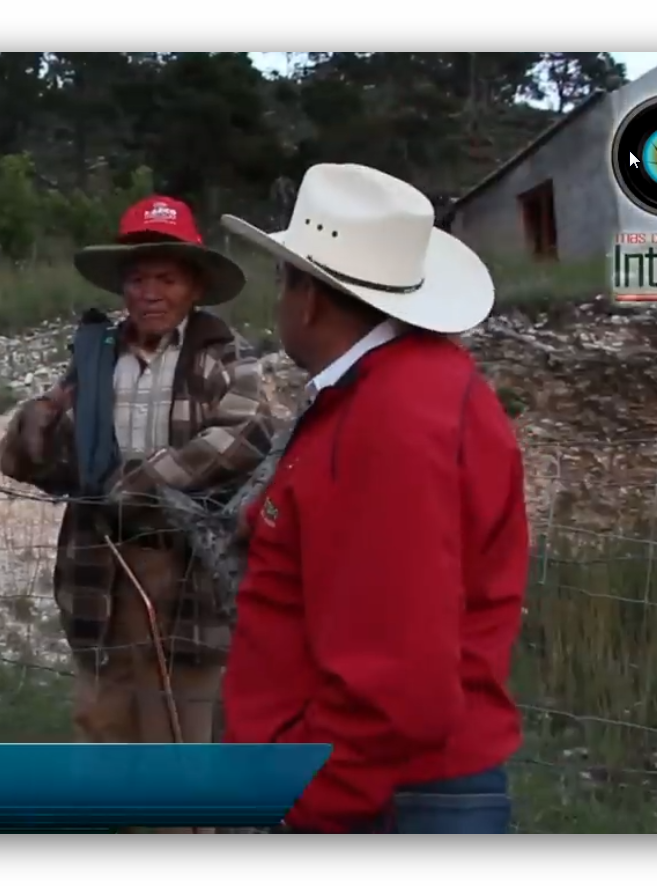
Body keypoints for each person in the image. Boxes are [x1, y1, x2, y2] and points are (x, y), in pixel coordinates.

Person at [220, 163, 529, 834]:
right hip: (399, 787)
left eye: (282, 282)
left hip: (381, 798)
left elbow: (395, 679)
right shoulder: (408, 390)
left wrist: (305, 800)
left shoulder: (387, 421)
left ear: (307, 297)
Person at [0, 196, 276, 831]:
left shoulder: (222, 354)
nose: (150, 293)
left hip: (188, 572)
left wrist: (138, 481)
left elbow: (245, 433)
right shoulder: (95, 359)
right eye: (138, 278)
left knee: (180, 738)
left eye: (166, 278)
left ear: (194, 286)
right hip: (101, 570)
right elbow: (42, 462)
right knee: (102, 728)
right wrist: (37, 423)